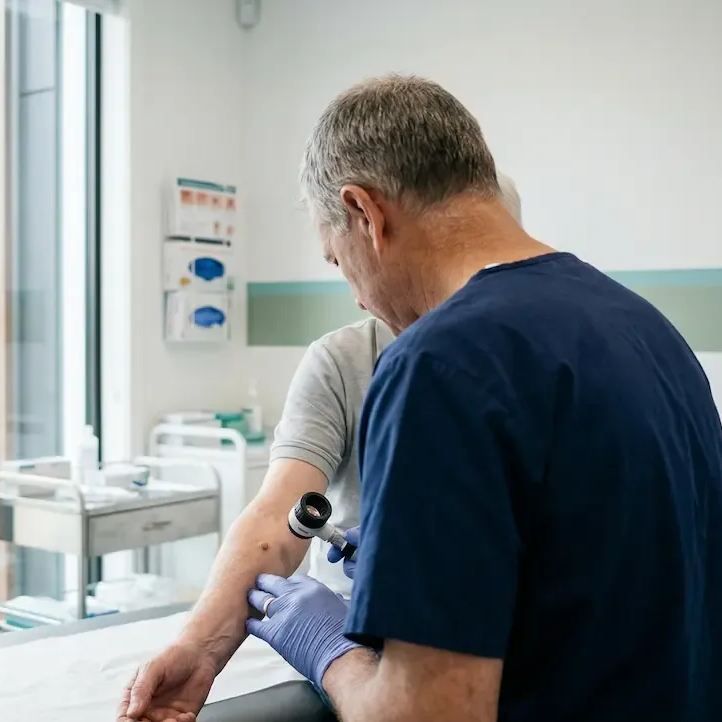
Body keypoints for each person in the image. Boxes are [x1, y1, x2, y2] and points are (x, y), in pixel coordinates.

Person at [237, 75, 722, 722]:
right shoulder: (646, 330)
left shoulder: (437, 364)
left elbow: (421, 717)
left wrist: (325, 647)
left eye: (337, 263)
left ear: (365, 214)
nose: (357, 298)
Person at [116, 175, 522, 722]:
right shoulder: (345, 360)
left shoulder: (519, 363)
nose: (355, 291)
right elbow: (279, 516)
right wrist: (199, 650)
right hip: (354, 648)